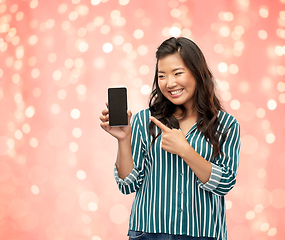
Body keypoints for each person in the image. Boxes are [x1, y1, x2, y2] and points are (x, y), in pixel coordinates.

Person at [100, 37, 241, 240]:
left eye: (177, 73)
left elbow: (225, 183)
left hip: (202, 234)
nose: (170, 83)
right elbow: (127, 185)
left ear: (197, 73)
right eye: (162, 76)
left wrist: (185, 150)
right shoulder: (144, 120)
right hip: (149, 232)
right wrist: (123, 140)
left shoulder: (226, 125)